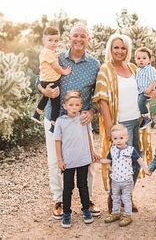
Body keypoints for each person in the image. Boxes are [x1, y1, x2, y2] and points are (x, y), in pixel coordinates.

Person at [38, 24, 101, 220]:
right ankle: (58, 200)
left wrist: (92, 110)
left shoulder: (94, 64)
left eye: (83, 36)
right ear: (69, 38)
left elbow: (98, 94)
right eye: (76, 35)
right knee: (56, 161)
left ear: (88, 39)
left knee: (88, 159)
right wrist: (44, 91)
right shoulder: (55, 56)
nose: (79, 39)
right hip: (55, 118)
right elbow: (38, 78)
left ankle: (87, 199)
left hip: (81, 120)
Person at [93, 33, 156, 213]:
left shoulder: (133, 68)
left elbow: (145, 90)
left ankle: (127, 196)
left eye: (123, 48)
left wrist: (154, 93)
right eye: (116, 47)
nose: (120, 51)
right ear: (110, 49)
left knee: (137, 160)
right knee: (122, 162)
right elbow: (102, 99)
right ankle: (114, 196)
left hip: (139, 121)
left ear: (128, 50)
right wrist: (110, 126)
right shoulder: (105, 70)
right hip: (121, 124)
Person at [54, 90, 97, 228]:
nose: (74, 107)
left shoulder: (84, 117)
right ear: (64, 105)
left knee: (82, 185)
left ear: (81, 105)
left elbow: (89, 136)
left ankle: (85, 210)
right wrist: (60, 160)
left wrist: (93, 152)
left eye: (77, 105)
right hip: (68, 162)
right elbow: (57, 141)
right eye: (71, 105)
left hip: (83, 159)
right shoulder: (60, 121)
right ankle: (66, 212)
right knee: (68, 188)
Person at [100, 124, 150, 227]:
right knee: (115, 197)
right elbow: (108, 160)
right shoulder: (112, 150)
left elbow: (139, 160)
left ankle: (128, 215)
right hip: (115, 180)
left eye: (121, 138)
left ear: (126, 138)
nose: (118, 141)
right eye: (115, 138)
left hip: (127, 180)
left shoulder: (131, 150)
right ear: (112, 139)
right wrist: (99, 160)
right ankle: (115, 213)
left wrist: (145, 168)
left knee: (126, 198)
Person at [32, 25, 72, 133]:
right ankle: (53, 124)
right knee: (56, 104)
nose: (54, 43)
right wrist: (64, 72)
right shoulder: (48, 52)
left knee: (45, 98)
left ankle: (37, 113)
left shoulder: (48, 52)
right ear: (43, 40)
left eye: (56, 40)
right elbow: (55, 66)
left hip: (46, 80)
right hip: (51, 81)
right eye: (50, 40)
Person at [134, 46, 156, 130]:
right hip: (140, 91)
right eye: (138, 58)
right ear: (135, 60)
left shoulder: (150, 69)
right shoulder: (138, 70)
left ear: (149, 60)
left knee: (140, 102)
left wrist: (150, 88)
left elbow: (153, 80)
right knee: (138, 102)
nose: (141, 60)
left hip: (146, 91)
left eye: (144, 58)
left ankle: (146, 118)